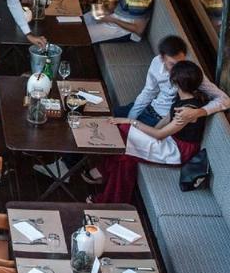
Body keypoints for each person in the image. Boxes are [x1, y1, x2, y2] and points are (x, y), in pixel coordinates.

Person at [37, 34, 229, 183]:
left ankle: (77, 168)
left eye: (180, 62)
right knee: (92, 116)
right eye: (172, 64)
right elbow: (147, 93)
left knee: (104, 130)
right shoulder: (156, 63)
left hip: (161, 122)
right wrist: (129, 116)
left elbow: (224, 99)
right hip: (148, 110)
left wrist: (200, 111)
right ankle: (65, 163)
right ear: (162, 58)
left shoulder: (191, 72)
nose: (177, 68)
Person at [89, 60, 209, 204]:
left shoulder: (186, 111)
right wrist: (145, 134)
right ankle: (111, 197)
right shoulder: (184, 97)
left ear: (177, 83)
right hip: (169, 138)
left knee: (124, 137)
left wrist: (131, 122)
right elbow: (165, 120)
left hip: (177, 151)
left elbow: (160, 135)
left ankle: (108, 192)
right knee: (125, 150)